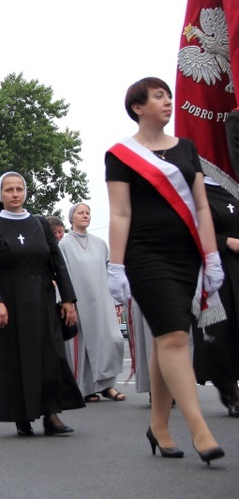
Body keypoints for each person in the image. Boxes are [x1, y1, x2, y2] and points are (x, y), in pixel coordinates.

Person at [105, 77, 225, 464]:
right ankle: (199, 429)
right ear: (138, 107)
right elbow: (120, 213)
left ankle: (159, 425)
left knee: (165, 338)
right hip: (144, 254)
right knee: (174, 337)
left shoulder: (187, 150)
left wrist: (211, 257)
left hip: (185, 253)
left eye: (168, 95)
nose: (168, 101)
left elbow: (202, 207)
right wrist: (116, 266)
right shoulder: (121, 155)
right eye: (158, 96)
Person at [0, 172, 84, 436]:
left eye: (19, 189)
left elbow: (57, 262)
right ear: (0, 195)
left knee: (50, 357)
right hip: (9, 302)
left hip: (42, 299)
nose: (15, 194)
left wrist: (68, 299)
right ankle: (20, 416)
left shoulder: (39, 224)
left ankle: (51, 414)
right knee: (14, 360)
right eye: (9, 190)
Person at [58, 202, 125, 402]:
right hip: (79, 300)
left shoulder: (100, 243)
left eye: (88, 212)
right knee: (85, 346)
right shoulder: (64, 244)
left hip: (102, 300)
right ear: (72, 218)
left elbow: (109, 272)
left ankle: (108, 385)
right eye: (80, 212)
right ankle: (87, 389)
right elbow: (63, 274)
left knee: (112, 339)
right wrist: (66, 302)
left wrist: (115, 299)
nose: (85, 215)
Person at [189, 172, 239, 417]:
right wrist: (224, 241)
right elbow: (188, 230)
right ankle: (230, 389)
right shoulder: (196, 192)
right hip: (214, 270)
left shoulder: (234, 187)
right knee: (221, 332)